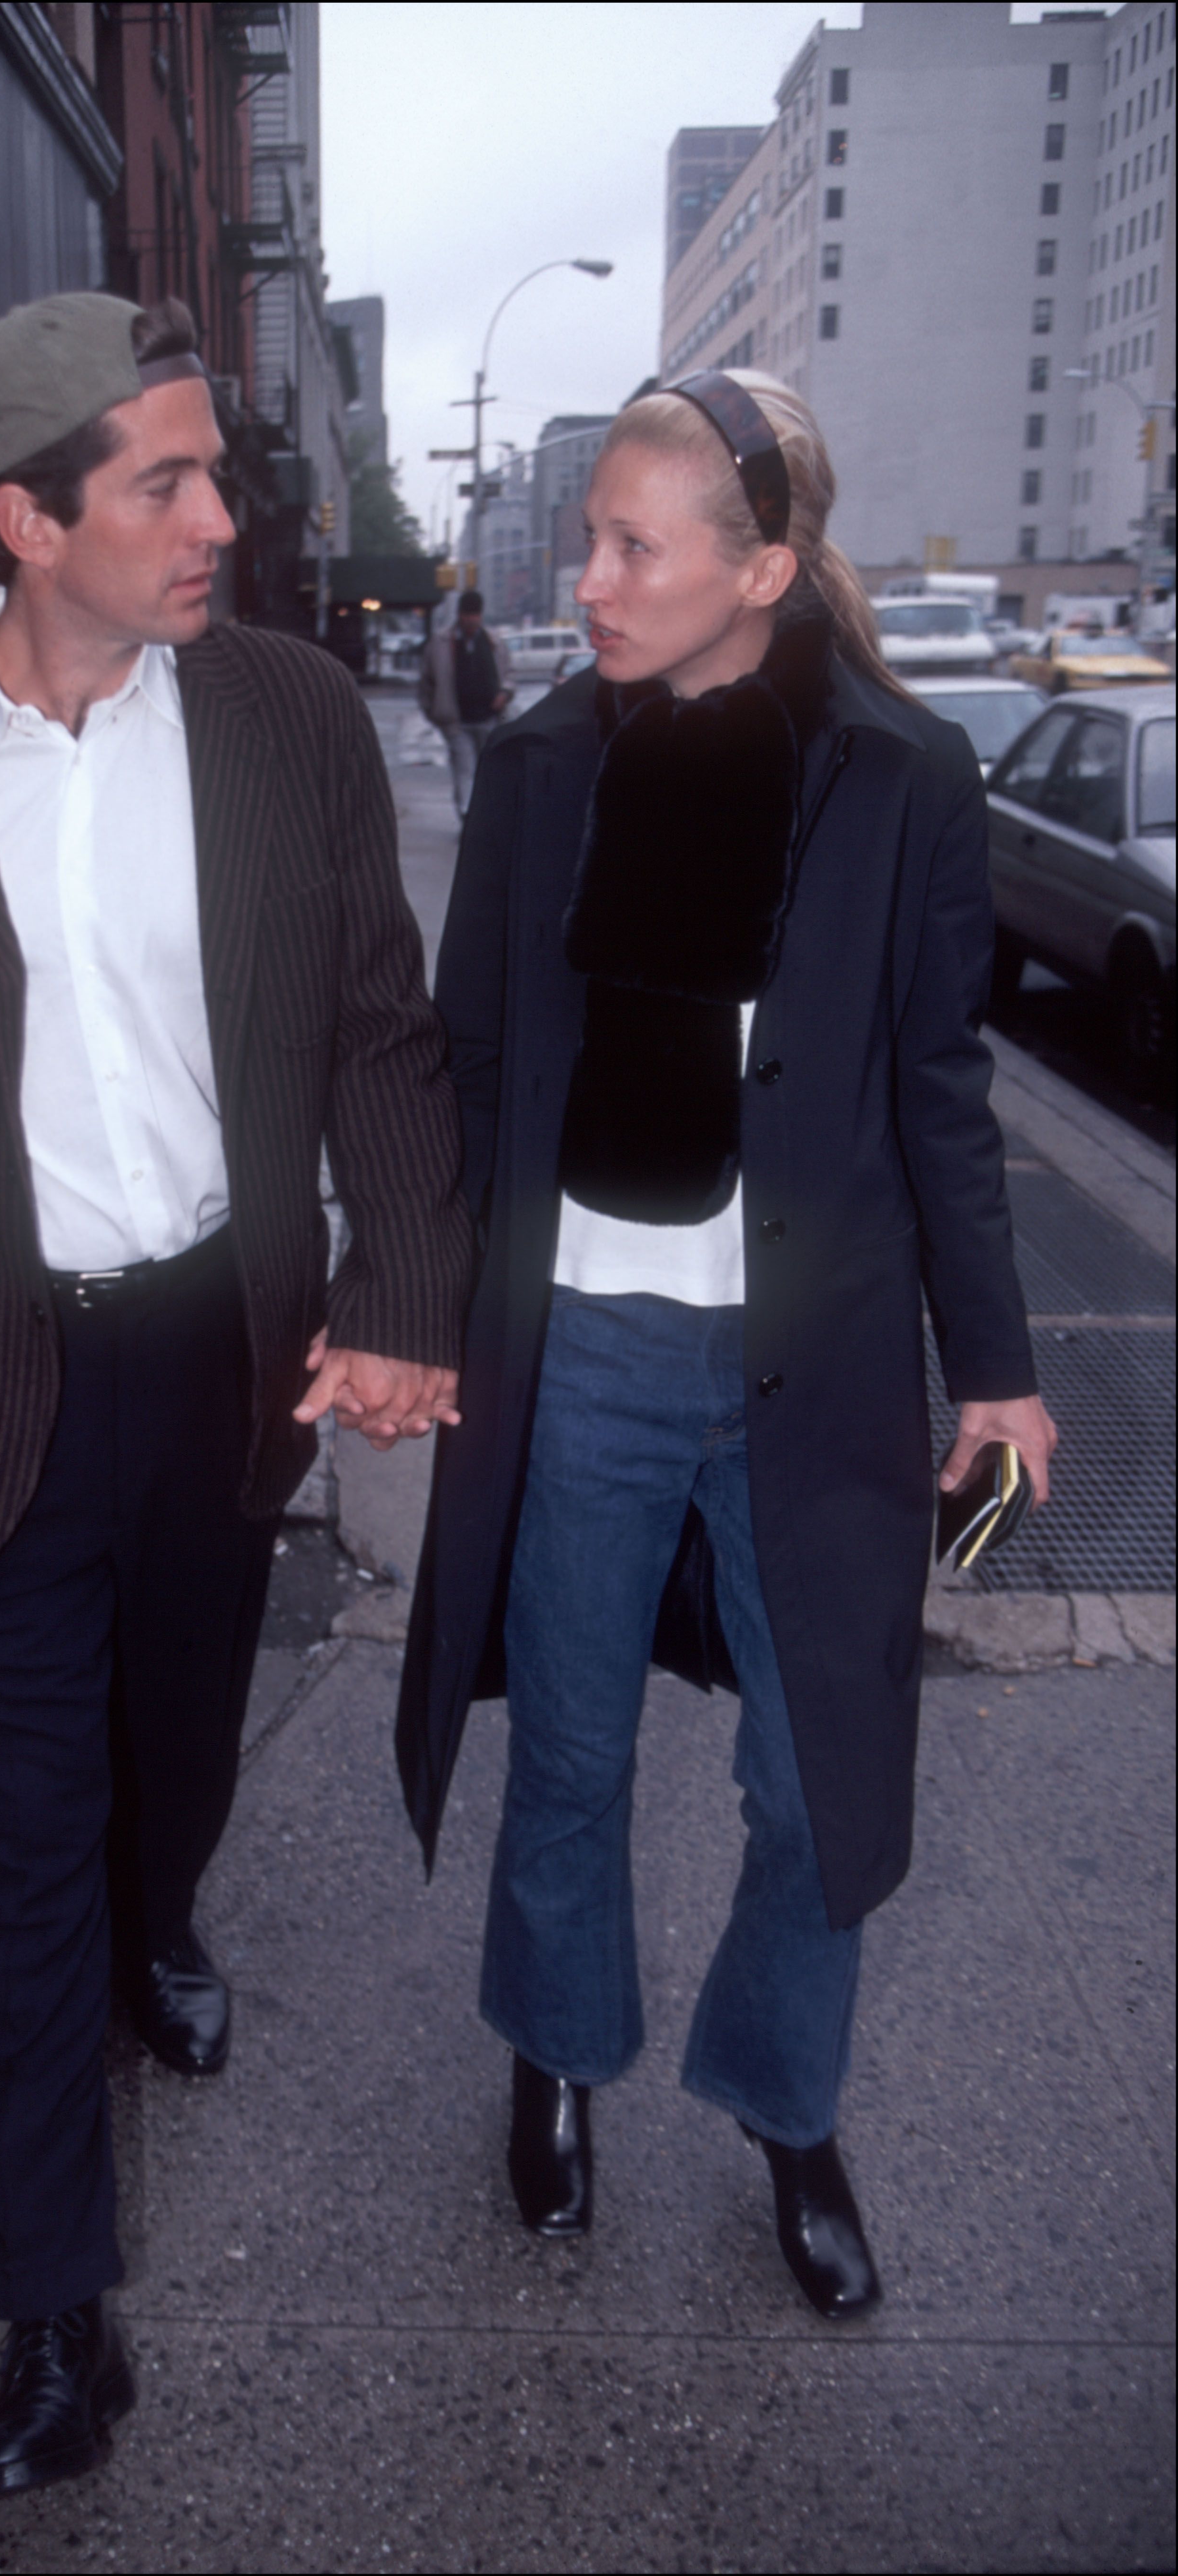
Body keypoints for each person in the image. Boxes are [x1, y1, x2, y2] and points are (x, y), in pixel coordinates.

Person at [0, 292, 471, 2498]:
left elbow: (386, 1040)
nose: (226, 515)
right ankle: (54, 2315)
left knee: (177, 1740)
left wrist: (405, 1289)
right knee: (19, 1832)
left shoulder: (293, 721)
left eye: (219, 471)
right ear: (31, 520)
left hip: (215, 1354)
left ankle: (169, 1917)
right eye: (168, 482)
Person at [396, 370, 1056, 2318]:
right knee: (572, 1749)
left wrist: (998, 1369)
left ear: (756, 564)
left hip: (815, 1363)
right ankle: (553, 2053)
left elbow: (939, 1086)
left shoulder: (903, 778)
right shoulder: (536, 772)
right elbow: (472, 1060)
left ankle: (784, 2100)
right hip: (580, 1340)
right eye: (582, 537)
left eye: (627, 546)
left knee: (813, 1769)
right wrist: (416, 1312)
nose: (580, 578)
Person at [418, 588, 513, 818]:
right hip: (456, 722)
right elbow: (426, 684)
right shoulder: (440, 643)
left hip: (489, 720)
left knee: (487, 771)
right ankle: (467, 817)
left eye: (476, 614)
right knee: (465, 770)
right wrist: (436, 714)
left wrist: (505, 693)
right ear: (459, 615)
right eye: (468, 614)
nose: (472, 619)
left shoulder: (494, 643)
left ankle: (485, 817)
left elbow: (509, 675)